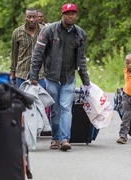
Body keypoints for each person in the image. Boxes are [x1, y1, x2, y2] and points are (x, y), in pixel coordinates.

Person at [30, 3, 90, 151]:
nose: (71, 16)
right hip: (51, 77)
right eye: (68, 13)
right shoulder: (49, 30)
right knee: (55, 109)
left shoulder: (80, 34)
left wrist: (86, 81)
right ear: (62, 15)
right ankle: (55, 138)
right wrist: (34, 76)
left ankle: (64, 139)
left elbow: (81, 59)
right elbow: (38, 54)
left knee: (66, 108)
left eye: (73, 13)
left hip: (69, 78)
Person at [10, 7, 45, 88]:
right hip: (22, 73)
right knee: (22, 99)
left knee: (41, 99)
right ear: (25, 17)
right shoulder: (17, 32)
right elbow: (14, 53)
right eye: (29, 17)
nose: (32, 20)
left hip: (40, 74)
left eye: (34, 17)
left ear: (37, 17)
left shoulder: (44, 31)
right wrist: (13, 72)